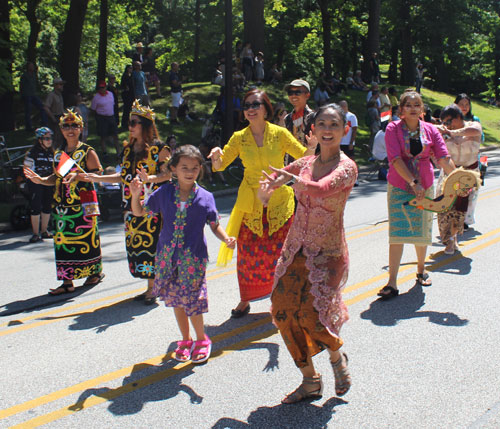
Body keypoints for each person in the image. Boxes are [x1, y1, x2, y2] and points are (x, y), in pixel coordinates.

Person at [258, 103, 357, 404]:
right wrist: (268, 189)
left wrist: (291, 180)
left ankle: (337, 356)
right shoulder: (302, 163)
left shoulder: (346, 167)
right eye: (322, 125)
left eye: (334, 125)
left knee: (313, 317)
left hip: (327, 253)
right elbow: (274, 182)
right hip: (296, 248)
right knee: (282, 310)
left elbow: (321, 188)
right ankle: (310, 379)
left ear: (344, 130)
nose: (327, 130)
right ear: (312, 130)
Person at [208, 89, 318, 318]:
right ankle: (245, 300)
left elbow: (303, 159)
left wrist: (312, 146)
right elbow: (219, 166)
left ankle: (285, 298)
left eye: (256, 104)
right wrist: (217, 155)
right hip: (250, 205)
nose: (250, 108)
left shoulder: (279, 134)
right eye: (247, 105)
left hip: (279, 203)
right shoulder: (239, 138)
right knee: (248, 257)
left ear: (266, 108)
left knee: (283, 256)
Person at [130, 145, 236, 363]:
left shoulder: (206, 197)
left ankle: (202, 339)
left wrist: (226, 238)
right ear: (173, 169)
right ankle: (185, 339)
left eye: (194, 168)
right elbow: (140, 211)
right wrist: (135, 194)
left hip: (193, 259)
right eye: (184, 167)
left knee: (193, 301)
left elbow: (214, 224)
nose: (189, 172)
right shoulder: (164, 193)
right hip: (167, 258)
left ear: (200, 170)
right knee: (177, 301)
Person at [84, 100, 171, 305]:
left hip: (152, 206)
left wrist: (150, 179)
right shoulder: (127, 150)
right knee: (136, 246)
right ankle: (151, 285)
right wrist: (95, 178)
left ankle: (154, 286)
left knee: (152, 245)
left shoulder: (160, 149)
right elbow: (121, 176)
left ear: (146, 126)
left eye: (134, 123)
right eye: (129, 122)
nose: (130, 127)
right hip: (129, 205)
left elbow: (168, 174)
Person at [377, 90, 455, 300]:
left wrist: (458, 179)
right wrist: (413, 182)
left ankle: (421, 270)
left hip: (425, 185)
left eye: (416, 105)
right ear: (401, 110)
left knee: (421, 229)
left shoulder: (430, 130)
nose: (412, 108)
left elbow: (443, 158)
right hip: (400, 184)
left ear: (422, 110)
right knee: (397, 233)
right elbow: (394, 159)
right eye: (408, 105)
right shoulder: (393, 128)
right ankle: (392, 282)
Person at [23, 109, 105, 295]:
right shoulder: (59, 154)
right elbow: (57, 177)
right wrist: (42, 180)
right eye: (66, 126)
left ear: (81, 128)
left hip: (83, 203)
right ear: (60, 129)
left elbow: (98, 175)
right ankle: (67, 281)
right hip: (62, 205)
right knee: (62, 242)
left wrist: (78, 176)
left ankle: (94, 272)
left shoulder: (87, 151)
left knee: (87, 241)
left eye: (74, 125)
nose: (70, 129)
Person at [436, 104, 482, 254]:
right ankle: (449, 239)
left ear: (457, 117)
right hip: (450, 173)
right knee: (445, 208)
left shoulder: (473, 126)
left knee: (460, 209)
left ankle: (453, 238)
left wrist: (452, 132)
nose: (446, 125)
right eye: (443, 122)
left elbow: (475, 132)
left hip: (469, 175)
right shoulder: (444, 133)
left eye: (448, 121)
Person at [454, 93, 483, 228]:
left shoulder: (474, 120)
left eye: (467, 104)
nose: (464, 107)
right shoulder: (451, 120)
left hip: (472, 161)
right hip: (455, 162)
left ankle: (465, 220)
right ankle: (454, 218)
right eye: (461, 104)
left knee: (471, 193)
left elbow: (480, 137)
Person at [23, 127, 55, 243]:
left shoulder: (52, 152)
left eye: (50, 138)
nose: (49, 141)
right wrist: (35, 179)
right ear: (40, 140)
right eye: (46, 138)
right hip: (35, 183)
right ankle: (35, 233)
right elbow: (26, 169)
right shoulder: (32, 153)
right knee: (35, 206)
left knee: (47, 205)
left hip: (48, 181)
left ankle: (44, 231)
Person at [90, 80, 120, 157]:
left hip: (111, 116)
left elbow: (113, 105)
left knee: (115, 135)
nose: (101, 89)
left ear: (105, 87)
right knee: (103, 136)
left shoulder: (110, 94)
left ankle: (118, 153)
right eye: (100, 88)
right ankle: (104, 153)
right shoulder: (96, 97)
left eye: (103, 87)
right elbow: (93, 109)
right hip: (102, 118)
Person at [283, 79, 314, 148]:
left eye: (297, 92)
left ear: (307, 95)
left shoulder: (313, 118)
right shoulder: (287, 119)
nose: (293, 96)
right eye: (290, 93)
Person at [20, 62, 47, 131]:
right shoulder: (24, 76)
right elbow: (22, 87)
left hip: (33, 95)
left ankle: (43, 123)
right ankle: (28, 127)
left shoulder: (34, 76)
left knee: (42, 107)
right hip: (27, 95)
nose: (32, 67)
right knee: (28, 111)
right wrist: (23, 95)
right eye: (30, 66)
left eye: (33, 66)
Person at [44, 77, 65, 146]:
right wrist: (53, 118)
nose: (62, 86)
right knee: (54, 138)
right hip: (54, 119)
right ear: (56, 85)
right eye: (60, 84)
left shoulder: (60, 95)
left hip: (61, 118)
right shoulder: (51, 95)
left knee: (61, 138)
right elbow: (46, 107)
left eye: (62, 84)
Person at [120, 65, 135, 129]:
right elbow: (123, 85)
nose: (131, 69)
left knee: (129, 109)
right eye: (130, 68)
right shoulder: (125, 76)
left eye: (132, 68)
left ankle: (128, 121)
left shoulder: (131, 76)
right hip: (126, 94)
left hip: (131, 94)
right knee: (126, 109)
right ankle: (124, 123)